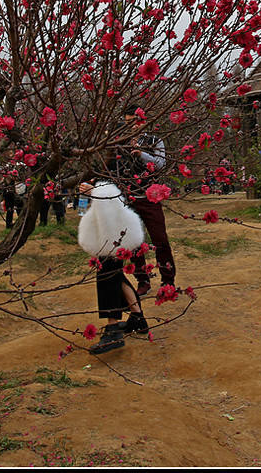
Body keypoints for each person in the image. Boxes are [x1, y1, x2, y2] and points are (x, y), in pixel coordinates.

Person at [106, 103, 174, 296]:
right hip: (129, 199)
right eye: (127, 122)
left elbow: (161, 164)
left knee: (160, 240)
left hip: (150, 197)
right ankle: (142, 280)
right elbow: (112, 167)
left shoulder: (154, 140)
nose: (132, 126)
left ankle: (167, 279)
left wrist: (141, 153)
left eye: (135, 121)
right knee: (133, 243)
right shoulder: (120, 142)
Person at [77, 180, 149, 354]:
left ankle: (113, 329)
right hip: (110, 225)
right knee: (113, 273)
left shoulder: (111, 159)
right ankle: (137, 318)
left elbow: (118, 187)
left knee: (107, 275)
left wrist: (96, 191)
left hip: (114, 227)